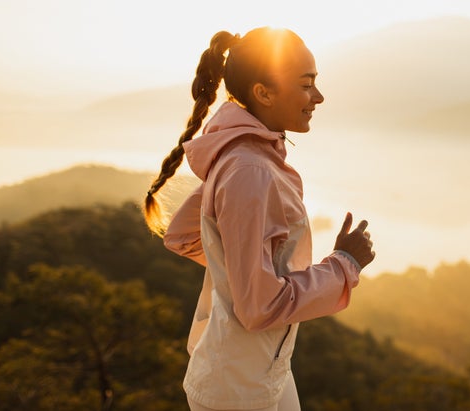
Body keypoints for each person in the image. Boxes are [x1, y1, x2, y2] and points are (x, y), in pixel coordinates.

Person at [143, 27, 375, 411]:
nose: (318, 96)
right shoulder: (249, 168)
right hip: (238, 390)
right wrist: (344, 264)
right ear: (263, 92)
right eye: (306, 84)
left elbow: (183, 235)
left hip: (258, 368)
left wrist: (242, 265)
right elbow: (260, 307)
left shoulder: (242, 156)